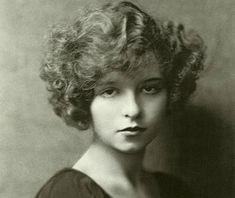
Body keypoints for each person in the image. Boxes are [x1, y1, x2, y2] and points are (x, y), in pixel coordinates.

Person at [36, 1, 206, 197]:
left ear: (171, 93)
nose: (133, 109)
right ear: (83, 100)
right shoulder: (68, 193)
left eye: (150, 88)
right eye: (109, 91)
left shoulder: (174, 190)